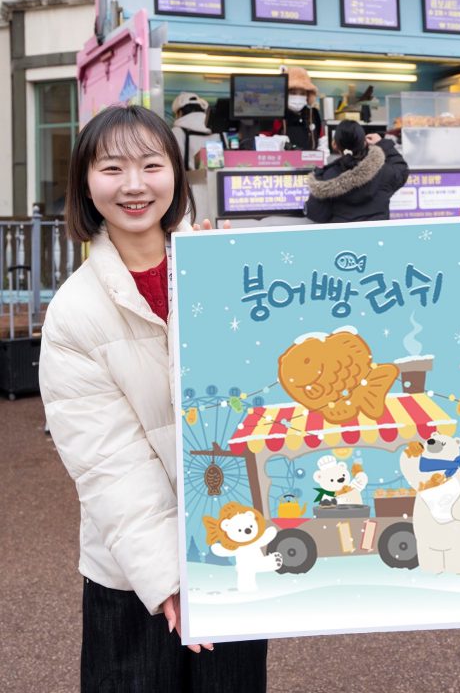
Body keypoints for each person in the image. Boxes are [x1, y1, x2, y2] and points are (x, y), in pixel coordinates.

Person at [39, 105, 267, 692]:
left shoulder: (229, 272)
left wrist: (455, 245)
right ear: (86, 184)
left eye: (151, 165)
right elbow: (106, 458)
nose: (134, 185)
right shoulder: (74, 310)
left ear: (176, 175)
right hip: (134, 571)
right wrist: (167, 575)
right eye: (112, 168)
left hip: (233, 545)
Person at [304, 119, 408, 223]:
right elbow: (402, 170)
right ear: (364, 143)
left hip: (343, 237)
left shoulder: (327, 177)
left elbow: (316, 214)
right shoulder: (383, 171)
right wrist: (382, 143)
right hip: (377, 237)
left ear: (334, 145)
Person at [282, 66, 322, 151]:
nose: (298, 97)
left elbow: (321, 140)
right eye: (293, 92)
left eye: (302, 93)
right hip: (282, 162)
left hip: (310, 162)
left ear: (308, 95)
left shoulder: (313, 114)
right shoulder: (277, 115)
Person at [171, 91, 212, 170]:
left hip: (188, 180)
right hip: (218, 179)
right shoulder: (218, 130)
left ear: (180, 113)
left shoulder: (176, 132)